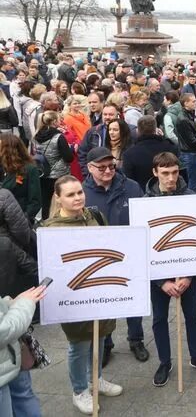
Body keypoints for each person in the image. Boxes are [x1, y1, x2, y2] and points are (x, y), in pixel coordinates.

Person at [42, 176, 123, 414]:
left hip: (99, 290)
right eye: (70, 195)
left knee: (98, 337)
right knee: (79, 345)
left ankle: (94, 379)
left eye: (79, 192)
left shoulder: (94, 216)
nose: (77, 198)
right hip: (74, 297)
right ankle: (79, 390)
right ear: (58, 198)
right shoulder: (51, 229)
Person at [145, 152, 196, 387]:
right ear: (155, 173)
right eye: (165, 173)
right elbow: (142, 246)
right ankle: (165, 361)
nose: (171, 178)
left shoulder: (191, 197)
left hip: (187, 274)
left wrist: (188, 276)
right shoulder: (144, 202)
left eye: (174, 172)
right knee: (159, 319)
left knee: (192, 316)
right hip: (158, 278)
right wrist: (161, 282)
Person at [81, 147, 147, 364]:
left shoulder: (131, 187)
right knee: (105, 302)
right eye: (102, 168)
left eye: (112, 166)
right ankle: (106, 343)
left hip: (129, 255)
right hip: (99, 260)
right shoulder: (83, 192)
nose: (109, 171)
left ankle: (136, 339)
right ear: (90, 168)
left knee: (133, 300)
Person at [0, 285, 46, 417]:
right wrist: (25, 304)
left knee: (22, 394)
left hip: (7, 363)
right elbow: (4, 329)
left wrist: (9, 303)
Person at [33, 111, 74, 220]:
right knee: (60, 200)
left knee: (46, 202)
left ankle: (46, 222)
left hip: (43, 174)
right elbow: (69, 158)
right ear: (54, 122)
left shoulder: (36, 136)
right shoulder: (58, 137)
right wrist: (71, 148)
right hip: (59, 175)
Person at [122, 115, 179, 191]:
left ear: (138, 131)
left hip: (141, 195)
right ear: (155, 129)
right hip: (168, 193)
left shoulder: (129, 154)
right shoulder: (171, 148)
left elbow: (128, 181)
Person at [0, 133, 42, 224]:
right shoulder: (2, 168)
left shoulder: (29, 169)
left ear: (8, 150)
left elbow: (35, 202)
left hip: (19, 222)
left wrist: (22, 220)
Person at [77, 103, 121, 177]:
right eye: (105, 114)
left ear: (118, 115)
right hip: (95, 175)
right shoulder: (93, 132)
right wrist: (88, 172)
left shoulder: (126, 131)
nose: (107, 117)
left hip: (117, 176)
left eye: (111, 114)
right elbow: (82, 153)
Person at [173, 94, 196, 192]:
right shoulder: (183, 119)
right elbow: (190, 140)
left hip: (192, 152)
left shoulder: (188, 115)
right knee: (193, 182)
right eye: (193, 101)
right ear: (186, 103)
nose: (195, 103)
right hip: (189, 153)